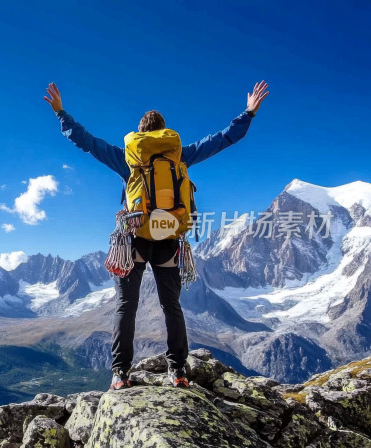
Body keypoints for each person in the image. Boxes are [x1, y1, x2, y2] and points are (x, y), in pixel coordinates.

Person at [44, 81, 269, 390]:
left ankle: (120, 374)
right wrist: (249, 113)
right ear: (165, 133)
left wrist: (61, 113)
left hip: (134, 239)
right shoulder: (180, 157)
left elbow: (86, 142)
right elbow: (224, 138)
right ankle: (177, 371)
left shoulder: (130, 160)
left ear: (140, 133)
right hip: (168, 239)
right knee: (171, 306)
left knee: (126, 306)